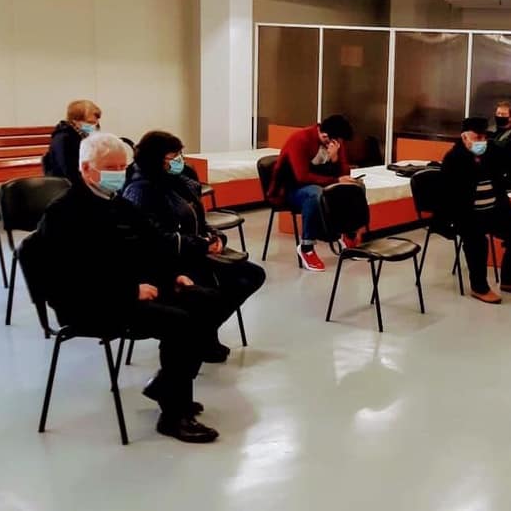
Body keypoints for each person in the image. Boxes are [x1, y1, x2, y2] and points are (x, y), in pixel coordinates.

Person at [37, 132, 228, 443]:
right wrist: (129, 291)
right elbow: (68, 280)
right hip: (90, 303)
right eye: (110, 167)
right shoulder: (63, 213)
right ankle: (173, 415)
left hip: (126, 289)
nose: (118, 174)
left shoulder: (118, 204)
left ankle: (168, 387)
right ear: (86, 168)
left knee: (207, 301)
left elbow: (152, 245)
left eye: (121, 167)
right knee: (180, 322)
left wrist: (171, 277)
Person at [122, 131, 266, 362]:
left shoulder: (178, 182)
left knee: (252, 275)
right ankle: (200, 335)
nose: (181, 160)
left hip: (194, 251)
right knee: (209, 291)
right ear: (156, 159)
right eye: (174, 156)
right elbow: (156, 240)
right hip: (169, 261)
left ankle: (203, 331)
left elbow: (199, 220)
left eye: (181, 154)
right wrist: (201, 245)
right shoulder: (140, 190)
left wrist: (216, 238)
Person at [441, 116, 511, 304]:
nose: (482, 142)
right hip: (465, 215)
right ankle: (479, 287)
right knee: (477, 239)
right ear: (464, 137)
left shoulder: (491, 151)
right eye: (477, 138)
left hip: (493, 211)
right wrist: (476, 162)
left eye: (484, 137)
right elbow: (450, 198)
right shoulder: (453, 159)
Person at [268, 115, 359, 272]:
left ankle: (348, 235)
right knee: (315, 193)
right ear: (325, 135)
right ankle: (307, 247)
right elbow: (302, 177)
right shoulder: (300, 139)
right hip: (291, 189)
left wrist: (335, 158)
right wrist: (335, 180)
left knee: (354, 187)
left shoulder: (335, 141)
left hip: (319, 184)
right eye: (336, 140)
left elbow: (344, 172)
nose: (339, 144)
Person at [42, 99, 102, 183]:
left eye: (96, 123)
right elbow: (69, 174)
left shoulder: (84, 136)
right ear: (75, 120)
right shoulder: (63, 139)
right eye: (90, 122)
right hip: (65, 186)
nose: (94, 126)